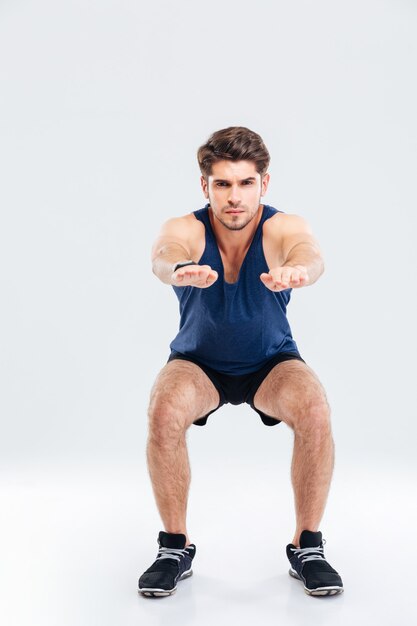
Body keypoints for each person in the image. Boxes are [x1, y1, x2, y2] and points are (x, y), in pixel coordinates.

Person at [138, 126, 344, 598]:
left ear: (263, 184)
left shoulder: (280, 226)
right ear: (205, 185)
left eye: (245, 183)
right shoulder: (187, 228)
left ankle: (307, 546)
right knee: (164, 408)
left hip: (270, 362)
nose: (234, 197)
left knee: (314, 407)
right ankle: (174, 547)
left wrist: (299, 270)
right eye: (223, 184)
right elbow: (164, 254)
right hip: (198, 363)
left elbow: (307, 251)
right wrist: (177, 269)